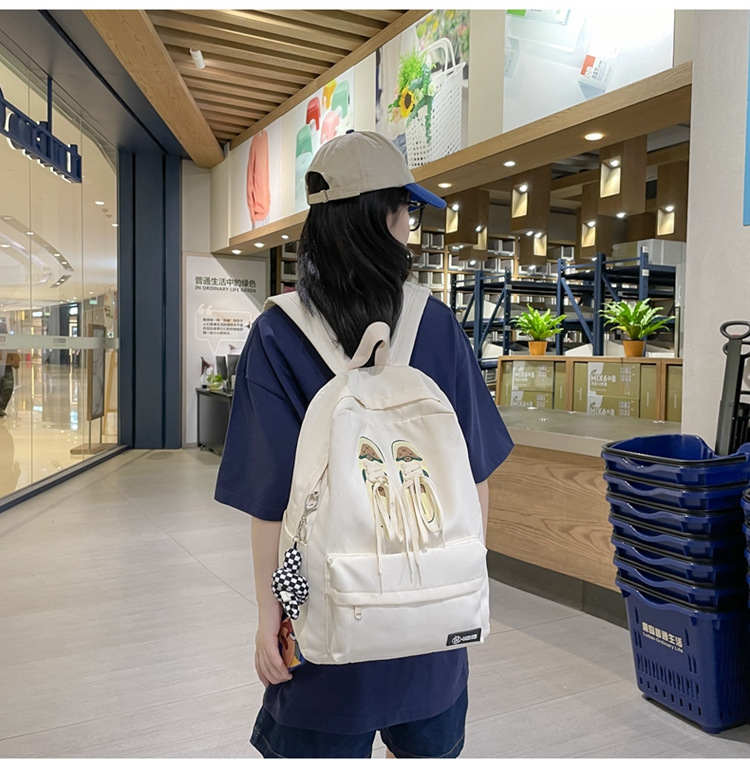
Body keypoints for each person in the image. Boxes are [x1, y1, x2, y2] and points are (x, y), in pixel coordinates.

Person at [214, 130, 513, 759]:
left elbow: (271, 504)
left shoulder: (277, 334)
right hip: (431, 625)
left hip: (327, 618)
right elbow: (475, 479)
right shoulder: (435, 324)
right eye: (408, 212)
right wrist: (458, 587)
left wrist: (270, 616)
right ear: (383, 217)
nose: (410, 228)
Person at [0, 320, 19, 418]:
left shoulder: (9, 341)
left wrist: (15, 362)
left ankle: (1, 407)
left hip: (7, 366)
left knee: (8, 388)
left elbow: (14, 353)